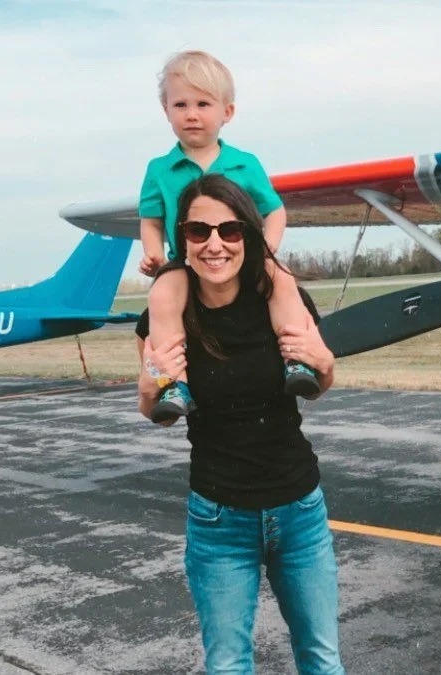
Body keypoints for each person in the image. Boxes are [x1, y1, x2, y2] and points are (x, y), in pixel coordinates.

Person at [136, 174, 344, 674]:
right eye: (199, 231)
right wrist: (148, 389)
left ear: (247, 233)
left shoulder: (278, 290)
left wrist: (326, 364)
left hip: (298, 510)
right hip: (219, 519)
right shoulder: (168, 301)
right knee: (228, 663)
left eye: (229, 231)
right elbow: (156, 411)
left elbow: (317, 384)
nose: (215, 245)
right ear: (183, 237)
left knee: (321, 659)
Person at [139, 50, 319, 424]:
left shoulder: (246, 164)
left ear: (227, 112)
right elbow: (151, 220)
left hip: (243, 257)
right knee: (161, 293)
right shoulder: (159, 170)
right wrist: (154, 253)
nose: (191, 114)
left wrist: (267, 249)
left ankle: (297, 360)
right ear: (166, 110)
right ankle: (174, 384)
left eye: (203, 104)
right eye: (180, 104)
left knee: (281, 277)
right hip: (186, 262)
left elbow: (274, 210)